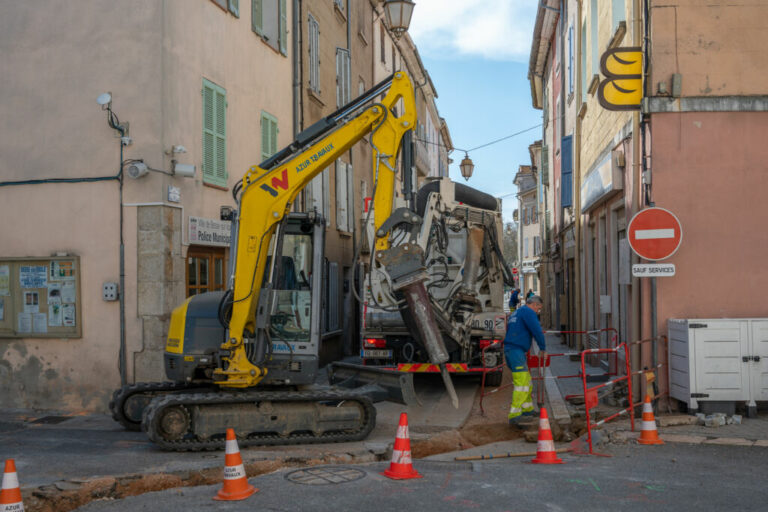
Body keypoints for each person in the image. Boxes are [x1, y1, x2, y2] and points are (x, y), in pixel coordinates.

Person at [503, 295, 546, 425]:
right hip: (516, 351)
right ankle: (514, 415)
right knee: (521, 383)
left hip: (513, 350)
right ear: (534, 305)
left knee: (527, 381)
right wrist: (542, 348)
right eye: (539, 308)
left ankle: (527, 409)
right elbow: (537, 330)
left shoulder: (518, 312)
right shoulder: (528, 312)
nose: (538, 311)